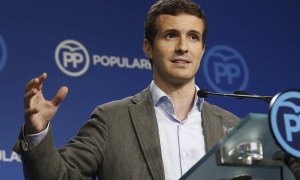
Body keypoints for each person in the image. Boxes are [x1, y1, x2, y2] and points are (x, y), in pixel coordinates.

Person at [14, 0, 299, 179]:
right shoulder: (111, 120)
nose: (183, 47)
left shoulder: (233, 127)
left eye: (193, 37)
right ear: (148, 47)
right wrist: (38, 132)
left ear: (202, 49)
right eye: (171, 35)